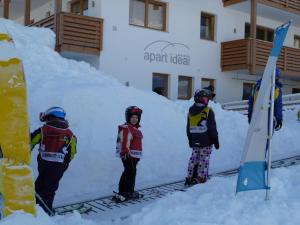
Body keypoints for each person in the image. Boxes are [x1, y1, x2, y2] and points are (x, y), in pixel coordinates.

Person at [31, 107, 77, 215]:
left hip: (43, 163)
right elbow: (72, 152)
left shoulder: (43, 130)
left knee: (39, 185)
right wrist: (65, 163)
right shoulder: (70, 134)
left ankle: (37, 208)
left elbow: (31, 142)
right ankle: (46, 211)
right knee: (49, 189)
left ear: (51, 117)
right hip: (58, 167)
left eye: (47, 118)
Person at [185, 89, 219, 186]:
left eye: (207, 99)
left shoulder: (190, 112)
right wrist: (215, 140)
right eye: (205, 99)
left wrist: (190, 140)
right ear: (199, 99)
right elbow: (212, 127)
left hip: (195, 140)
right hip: (206, 141)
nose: (207, 101)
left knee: (194, 159)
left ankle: (189, 177)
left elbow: (188, 128)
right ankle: (201, 177)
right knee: (203, 160)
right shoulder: (208, 111)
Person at [114, 106, 143, 202]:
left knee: (128, 172)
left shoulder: (133, 128)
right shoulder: (127, 128)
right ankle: (128, 192)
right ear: (128, 118)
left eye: (136, 118)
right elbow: (124, 141)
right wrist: (125, 153)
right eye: (132, 117)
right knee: (131, 172)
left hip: (133, 156)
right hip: (128, 155)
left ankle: (123, 191)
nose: (134, 119)